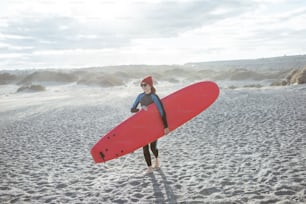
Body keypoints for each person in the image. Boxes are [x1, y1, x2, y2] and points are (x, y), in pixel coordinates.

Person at [131, 76, 170, 174]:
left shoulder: (154, 97)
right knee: (144, 147)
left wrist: (165, 126)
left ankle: (156, 159)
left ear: (150, 85)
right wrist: (141, 109)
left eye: (145, 85)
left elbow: (161, 111)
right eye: (142, 85)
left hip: (153, 125)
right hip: (143, 125)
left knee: (153, 147)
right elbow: (132, 109)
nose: (143, 87)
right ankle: (149, 168)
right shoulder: (140, 96)